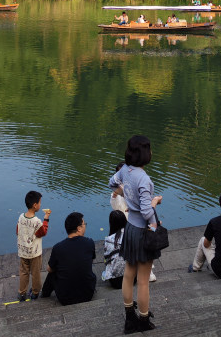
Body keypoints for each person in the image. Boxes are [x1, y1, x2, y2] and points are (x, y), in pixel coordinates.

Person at [109, 135, 162, 333]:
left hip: (129, 228)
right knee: (142, 281)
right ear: (144, 153)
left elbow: (112, 184)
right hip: (142, 231)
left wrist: (127, 197)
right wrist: (155, 226)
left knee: (128, 274)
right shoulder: (144, 179)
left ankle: (129, 317)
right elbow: (148, 212)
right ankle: (143, 319)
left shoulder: (124, 170)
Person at [41, 212, 96, 305]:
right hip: (88, 294)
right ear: (78, 228)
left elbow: (49, 269)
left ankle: (44, 295)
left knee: (53, 272)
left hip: (65, 298)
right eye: (84, 224)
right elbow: (90, 259)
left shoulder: (58, 248)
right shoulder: (90, 243)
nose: (85, 226)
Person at [16, 190, 50, 301]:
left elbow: (17, 231)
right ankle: (35, 293)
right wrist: (46, 218)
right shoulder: (37, 221)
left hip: (23, 251)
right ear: (35, 205)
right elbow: (43, 232)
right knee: (35, 273)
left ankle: (22, 293)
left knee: (24, 272)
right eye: (40, 202)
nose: (40, 205)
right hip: (34, 253)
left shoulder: (21, 217)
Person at [102, 210, 128, 288]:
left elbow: (106, 258)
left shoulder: (108, 240)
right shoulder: (131, 235)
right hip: (133, 278)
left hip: (116, 282)